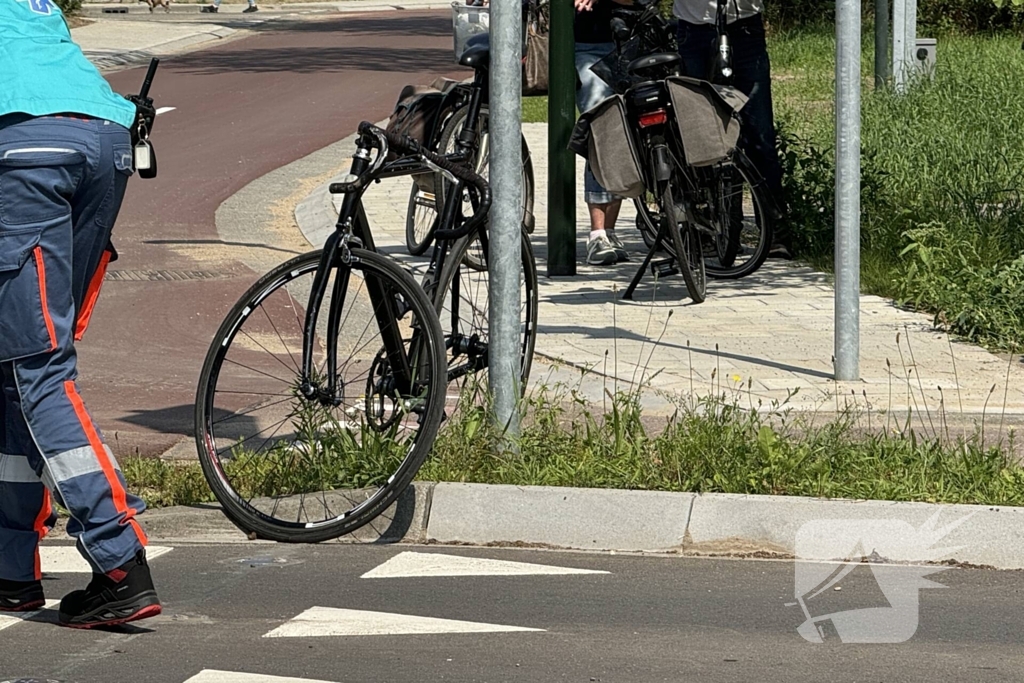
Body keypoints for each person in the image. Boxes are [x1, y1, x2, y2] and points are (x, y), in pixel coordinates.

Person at [0, 0, 161, 628]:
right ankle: (12, 570)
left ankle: (120, 561)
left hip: (22, 146)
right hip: (101, 137)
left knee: (38, 369)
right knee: (17, 362)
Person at [673, 0, 790, 256]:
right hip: (695, 28)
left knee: (760, 136)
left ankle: (773, 232)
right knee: (701, 132)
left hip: (745, 28)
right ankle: (704, 226)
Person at [575, 0, 633, 266]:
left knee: (624, 135)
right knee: (601, 129)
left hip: (628, 40)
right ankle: (597, 233)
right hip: (585, 44)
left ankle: (609, 231)